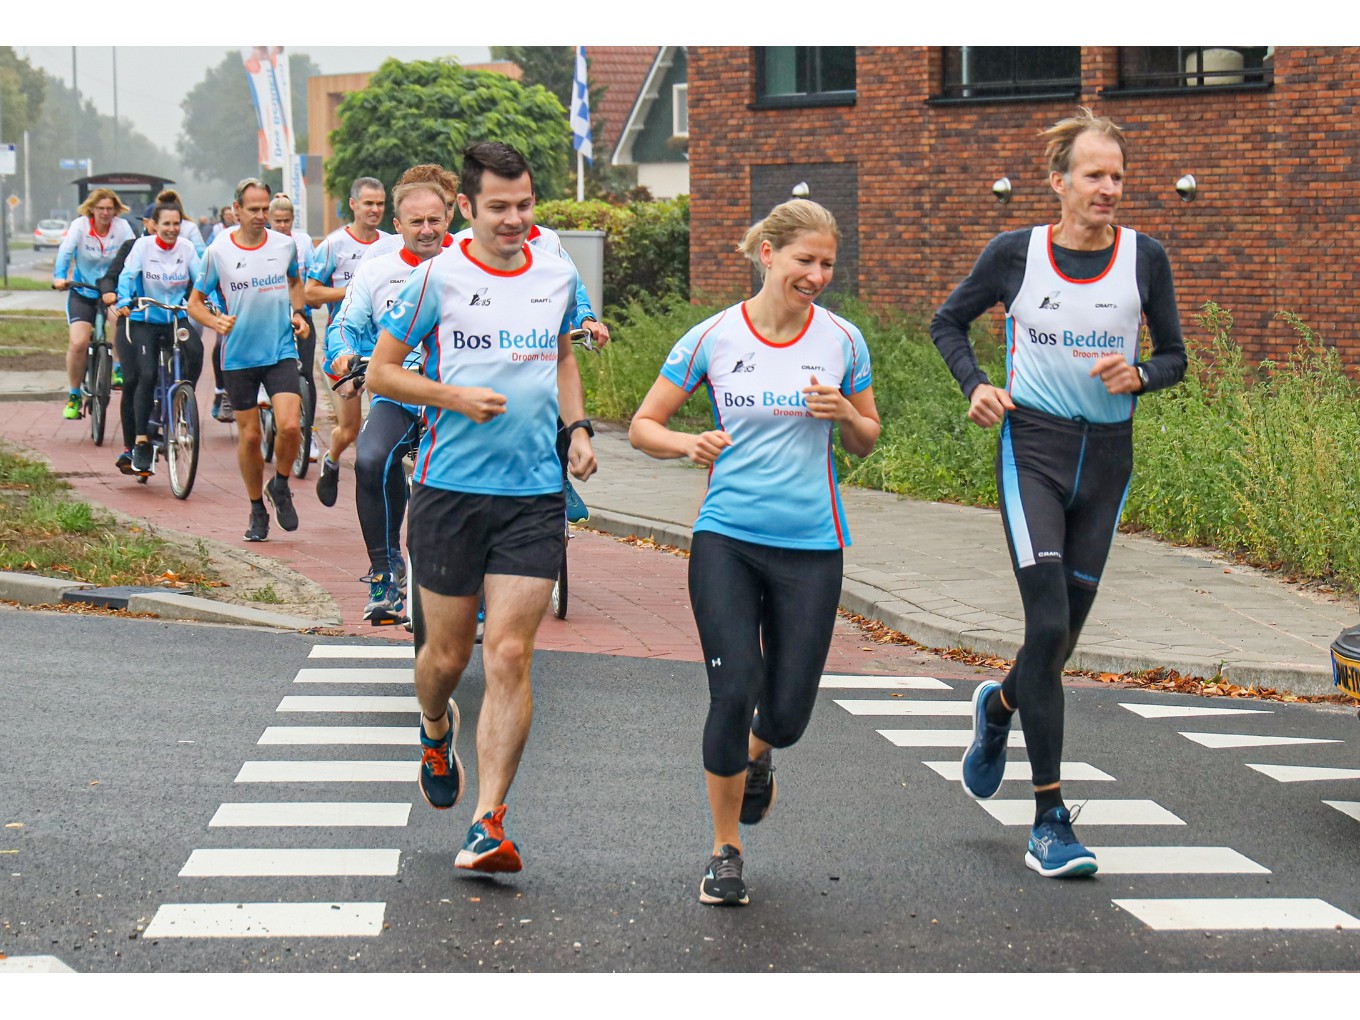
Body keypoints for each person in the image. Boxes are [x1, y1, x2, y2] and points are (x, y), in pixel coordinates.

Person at [931, 108, 1187, 879]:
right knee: (1045, 624)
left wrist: (1141, 374)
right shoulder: (1017, 255)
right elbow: (948, 322)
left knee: (1060, 640)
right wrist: (977, 385)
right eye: (1093, 175)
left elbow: (1175, 355)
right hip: (1034, 450)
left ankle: (998, 707)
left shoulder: (1146, 258)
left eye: (1117, 176)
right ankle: (1049, 820)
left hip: (1108, 461)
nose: (1108, 189)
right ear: (1059, 183)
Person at [629, 198, 879, 907]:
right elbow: (646, 425)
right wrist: (687, 443)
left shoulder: (843, 341)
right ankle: (724, 850)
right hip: (728, 538)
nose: (818, 275)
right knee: (733, 687)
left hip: (812, 543)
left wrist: (846, 416)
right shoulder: (712, 337)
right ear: (766, 255)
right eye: (806, 260)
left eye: (828, 263)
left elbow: (868, 437)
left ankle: (761, 757)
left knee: (789, 715)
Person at [365, 142, 595, 875]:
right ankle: (436, 726)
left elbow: (561, 357)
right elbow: (383, 371)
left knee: (511, 653)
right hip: (449, 491)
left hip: (532, 494)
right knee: (445, 657)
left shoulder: (556, 272)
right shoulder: (439, 277)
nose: (514, 220)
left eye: (524, 205)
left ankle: (488, 822)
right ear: (467, 208)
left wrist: (578, 429)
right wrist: (452, 396)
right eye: (498, 207)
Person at [325, 174, 452, 624]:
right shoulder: (376, 271)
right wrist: (341, 356)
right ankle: (384, 569)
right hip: (397, 396)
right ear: (397, 224)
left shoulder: (471, 265)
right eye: (415, 221)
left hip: (455, 401)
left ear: (450, 216)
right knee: (370, 461)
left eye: (434, 219)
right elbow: (344, 324)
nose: (426, 230)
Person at [188, 177, 310, 542]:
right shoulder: (218, 253)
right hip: (239, 356)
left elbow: (294, 283)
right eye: (253, 209)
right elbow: (195, 303)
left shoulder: (285, 245)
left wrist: (300, 314)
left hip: (280, 350)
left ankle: (282, 485)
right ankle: (257, 507)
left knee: (290, 426)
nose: (261, 216)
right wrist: (215, 320)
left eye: (265, 209)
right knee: (251, 436)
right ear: (236, 209)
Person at [306, 176, 390, 508]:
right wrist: (356, 291)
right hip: (346, 345)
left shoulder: (390, 244)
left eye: (381, 203)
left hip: (385, 345)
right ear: (353, 204)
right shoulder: (333, 246)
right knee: (350, 428)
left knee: (388, 417)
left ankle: (383, 485)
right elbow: (310, 293)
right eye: (368, 203)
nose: (375, 209)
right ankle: (332, 458)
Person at [111, 203, 204, 476]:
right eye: (166, 224)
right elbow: (127, 276)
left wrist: (214, 301)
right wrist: (125, 300)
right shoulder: (143, 247)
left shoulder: (186, 248)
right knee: (147, 374)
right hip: (145, 318)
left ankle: (184, 400)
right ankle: (141, 442)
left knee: (195, 350)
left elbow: (201, 280)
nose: (172, 230)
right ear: (155, 224)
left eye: (176, 224)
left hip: (175, 316)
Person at [52, 188, 136, 419]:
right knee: (78, 342)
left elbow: (133, 256)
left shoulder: (122, 229)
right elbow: (65, 252)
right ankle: (74, 395)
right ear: (92, 209)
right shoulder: (80, 226)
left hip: (112, 292)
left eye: (110, 209)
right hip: (83, 291)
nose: (105, 213)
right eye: (101, 208)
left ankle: (118, 369)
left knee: (120, 323)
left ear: (116, 210)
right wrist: (60, 277)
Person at [268, 193, 319, 462]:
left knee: (306, 374)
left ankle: (307, 435)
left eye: (287, 221)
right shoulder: (264, 242)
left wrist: (313, 297)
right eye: (277, 221)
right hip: (271, 317)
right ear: (269, 219)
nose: (283, 226)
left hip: (300, 314)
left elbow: (311, 274)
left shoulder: (303, 241)